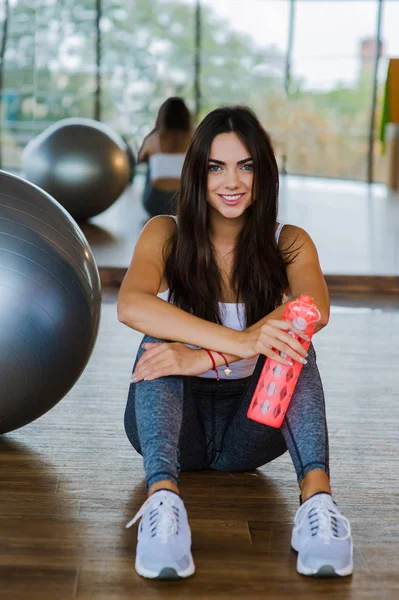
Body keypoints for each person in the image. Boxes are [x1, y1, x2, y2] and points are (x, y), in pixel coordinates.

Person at [118, 106, 353, 581]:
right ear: (197, 173)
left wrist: (209, 354)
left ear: (263, 173)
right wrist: (242, 341)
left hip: (253, 427)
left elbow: (314, 311)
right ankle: (163, 505)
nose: (233, 181)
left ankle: (319, 509)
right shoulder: (166, 234)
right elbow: (130, 305)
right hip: (175, 427)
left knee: (296, 342)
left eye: (246, 166)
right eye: (216, 167)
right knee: (156, 337)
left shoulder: (289, 242)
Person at [137, 97, 192, 217]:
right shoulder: (194, 138)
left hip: (155, 203)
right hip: (184, 203)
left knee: (151, 162)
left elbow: (140, 160)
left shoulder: (153, 139)